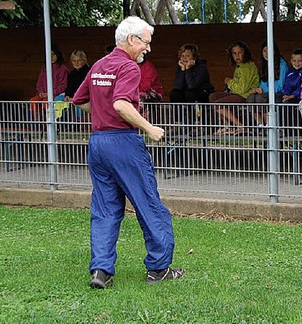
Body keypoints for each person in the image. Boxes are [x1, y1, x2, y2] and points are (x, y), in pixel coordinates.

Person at [72, 16, 183, 289]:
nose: (148, 48)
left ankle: (101, 271)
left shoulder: (98, 65)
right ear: (132, 39)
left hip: (98, 144)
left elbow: (79, 100)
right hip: (123, 143)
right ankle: (158, 269)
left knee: (105, 209)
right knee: (148, 204)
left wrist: (102, 113)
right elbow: (122, 104)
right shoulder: (129, 68)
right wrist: (148, 127)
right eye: (146, 42)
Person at [208, 41, 259, 136]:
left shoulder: (247, 67)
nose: (237, 56)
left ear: (245, 53)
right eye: (234, 53)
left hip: (245, 95)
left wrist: (229, 82)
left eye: (240, 52)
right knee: (213, 96)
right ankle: (228, 126)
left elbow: (241, 89)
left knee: (218, 104)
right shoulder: (239, 66)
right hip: (236, 93)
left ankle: (240, 126)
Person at [246, 40, 289, 128]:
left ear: (275, 51)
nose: (267, 53)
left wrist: (263, 91)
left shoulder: (282, 64)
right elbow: (262, 83)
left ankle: (269, 125)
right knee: (250, 97)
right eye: (265, 51)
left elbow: (280, 85)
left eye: (269, 50)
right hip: (266, 93)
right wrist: (258, 89)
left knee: (260, 97)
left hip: (278, 93)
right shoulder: (264, 64)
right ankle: (260, 124)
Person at [169, 43, 215, 125]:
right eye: (182, 56)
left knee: (191, 93)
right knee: (174, 94)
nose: (184, 58)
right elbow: (177, 86)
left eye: (187, 56)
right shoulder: (181, 67)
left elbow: (192, 85)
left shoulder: (201, 68)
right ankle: (178, 123)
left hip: (202, 94)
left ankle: (198, 123)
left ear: (194, 57)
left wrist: (188, 69)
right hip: (187, 94)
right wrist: (183, 70)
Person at [29, 43, 69, 120]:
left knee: (46, 101)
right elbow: (39, 83)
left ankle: (48, 122)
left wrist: (50, 93)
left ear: (58, 55)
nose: (51, 57)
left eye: (53, 54)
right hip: (44, 94)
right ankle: (36, 122)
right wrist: (40, 92)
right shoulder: (44, 69)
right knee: (33, 100)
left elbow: (63, 86)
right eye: (49, 54)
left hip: (56, 94)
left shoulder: (63, 69)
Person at [58, 50, 90, 126]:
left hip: (84, 95)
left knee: (78, 103)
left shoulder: (88, 71)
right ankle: (59, 122)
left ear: (84, 60)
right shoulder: (72, 73)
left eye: (79, 60)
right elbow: (69, 86)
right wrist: (67, 95)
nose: (76, 63)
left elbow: (87, 87)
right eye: (74, 61)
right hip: (72, 96)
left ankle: (79, 124)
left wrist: (76, 96)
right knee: (58, 100)